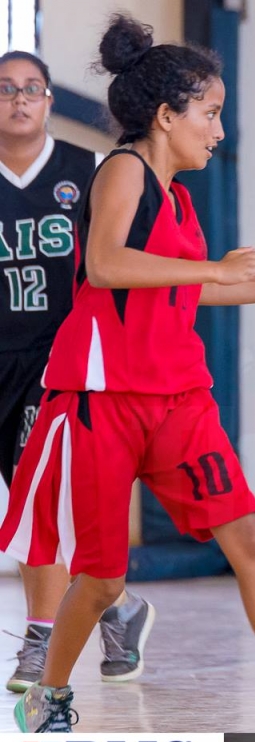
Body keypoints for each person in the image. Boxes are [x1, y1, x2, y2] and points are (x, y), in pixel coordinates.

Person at [0, 15, 255, 735]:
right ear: (168, 116)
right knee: (102, 577)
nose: (219, 130)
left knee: (251, 542)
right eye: (210, 113)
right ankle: (49, 694)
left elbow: (191, 290)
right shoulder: (123, 170)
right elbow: (104, 265)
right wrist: (215, 268)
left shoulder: (176, 197)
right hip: (102, 400)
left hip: (179, 399)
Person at [0, 50, 156, 693]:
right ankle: (116, 608)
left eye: (31, 88)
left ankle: (40, 640)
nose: (19, 99)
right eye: (6, 88)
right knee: (40, 506)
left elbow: (127, 262)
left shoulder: (90, 170)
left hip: (61, 359)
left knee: (38, 502)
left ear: (49, 100)